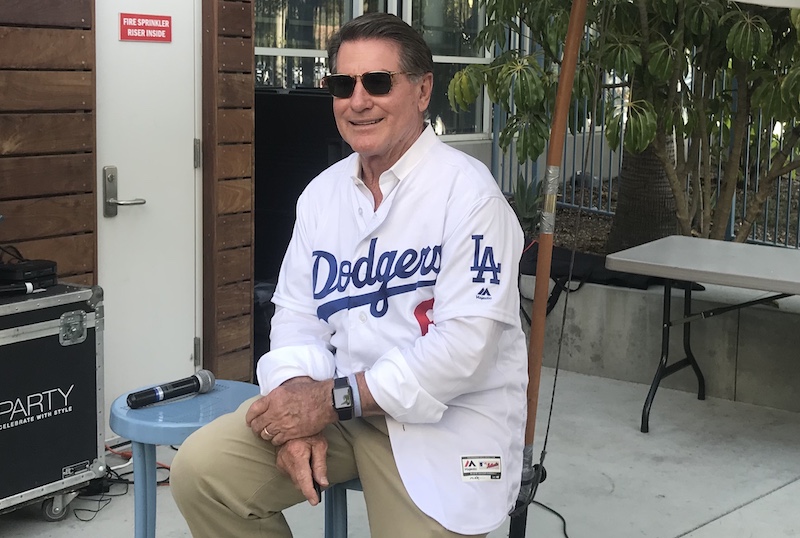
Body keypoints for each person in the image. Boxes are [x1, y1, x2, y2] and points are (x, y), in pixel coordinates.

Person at [171, 12, 528, 538]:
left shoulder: (470, 196)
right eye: (343, 83)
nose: (357, 100)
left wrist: (330, 401)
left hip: (445, 421)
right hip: (341, 409)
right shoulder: (322, 194)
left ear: (423, 90)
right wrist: (296, 406)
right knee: (201, 472)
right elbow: (295, 314)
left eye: (378, 82)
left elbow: (464, 353)